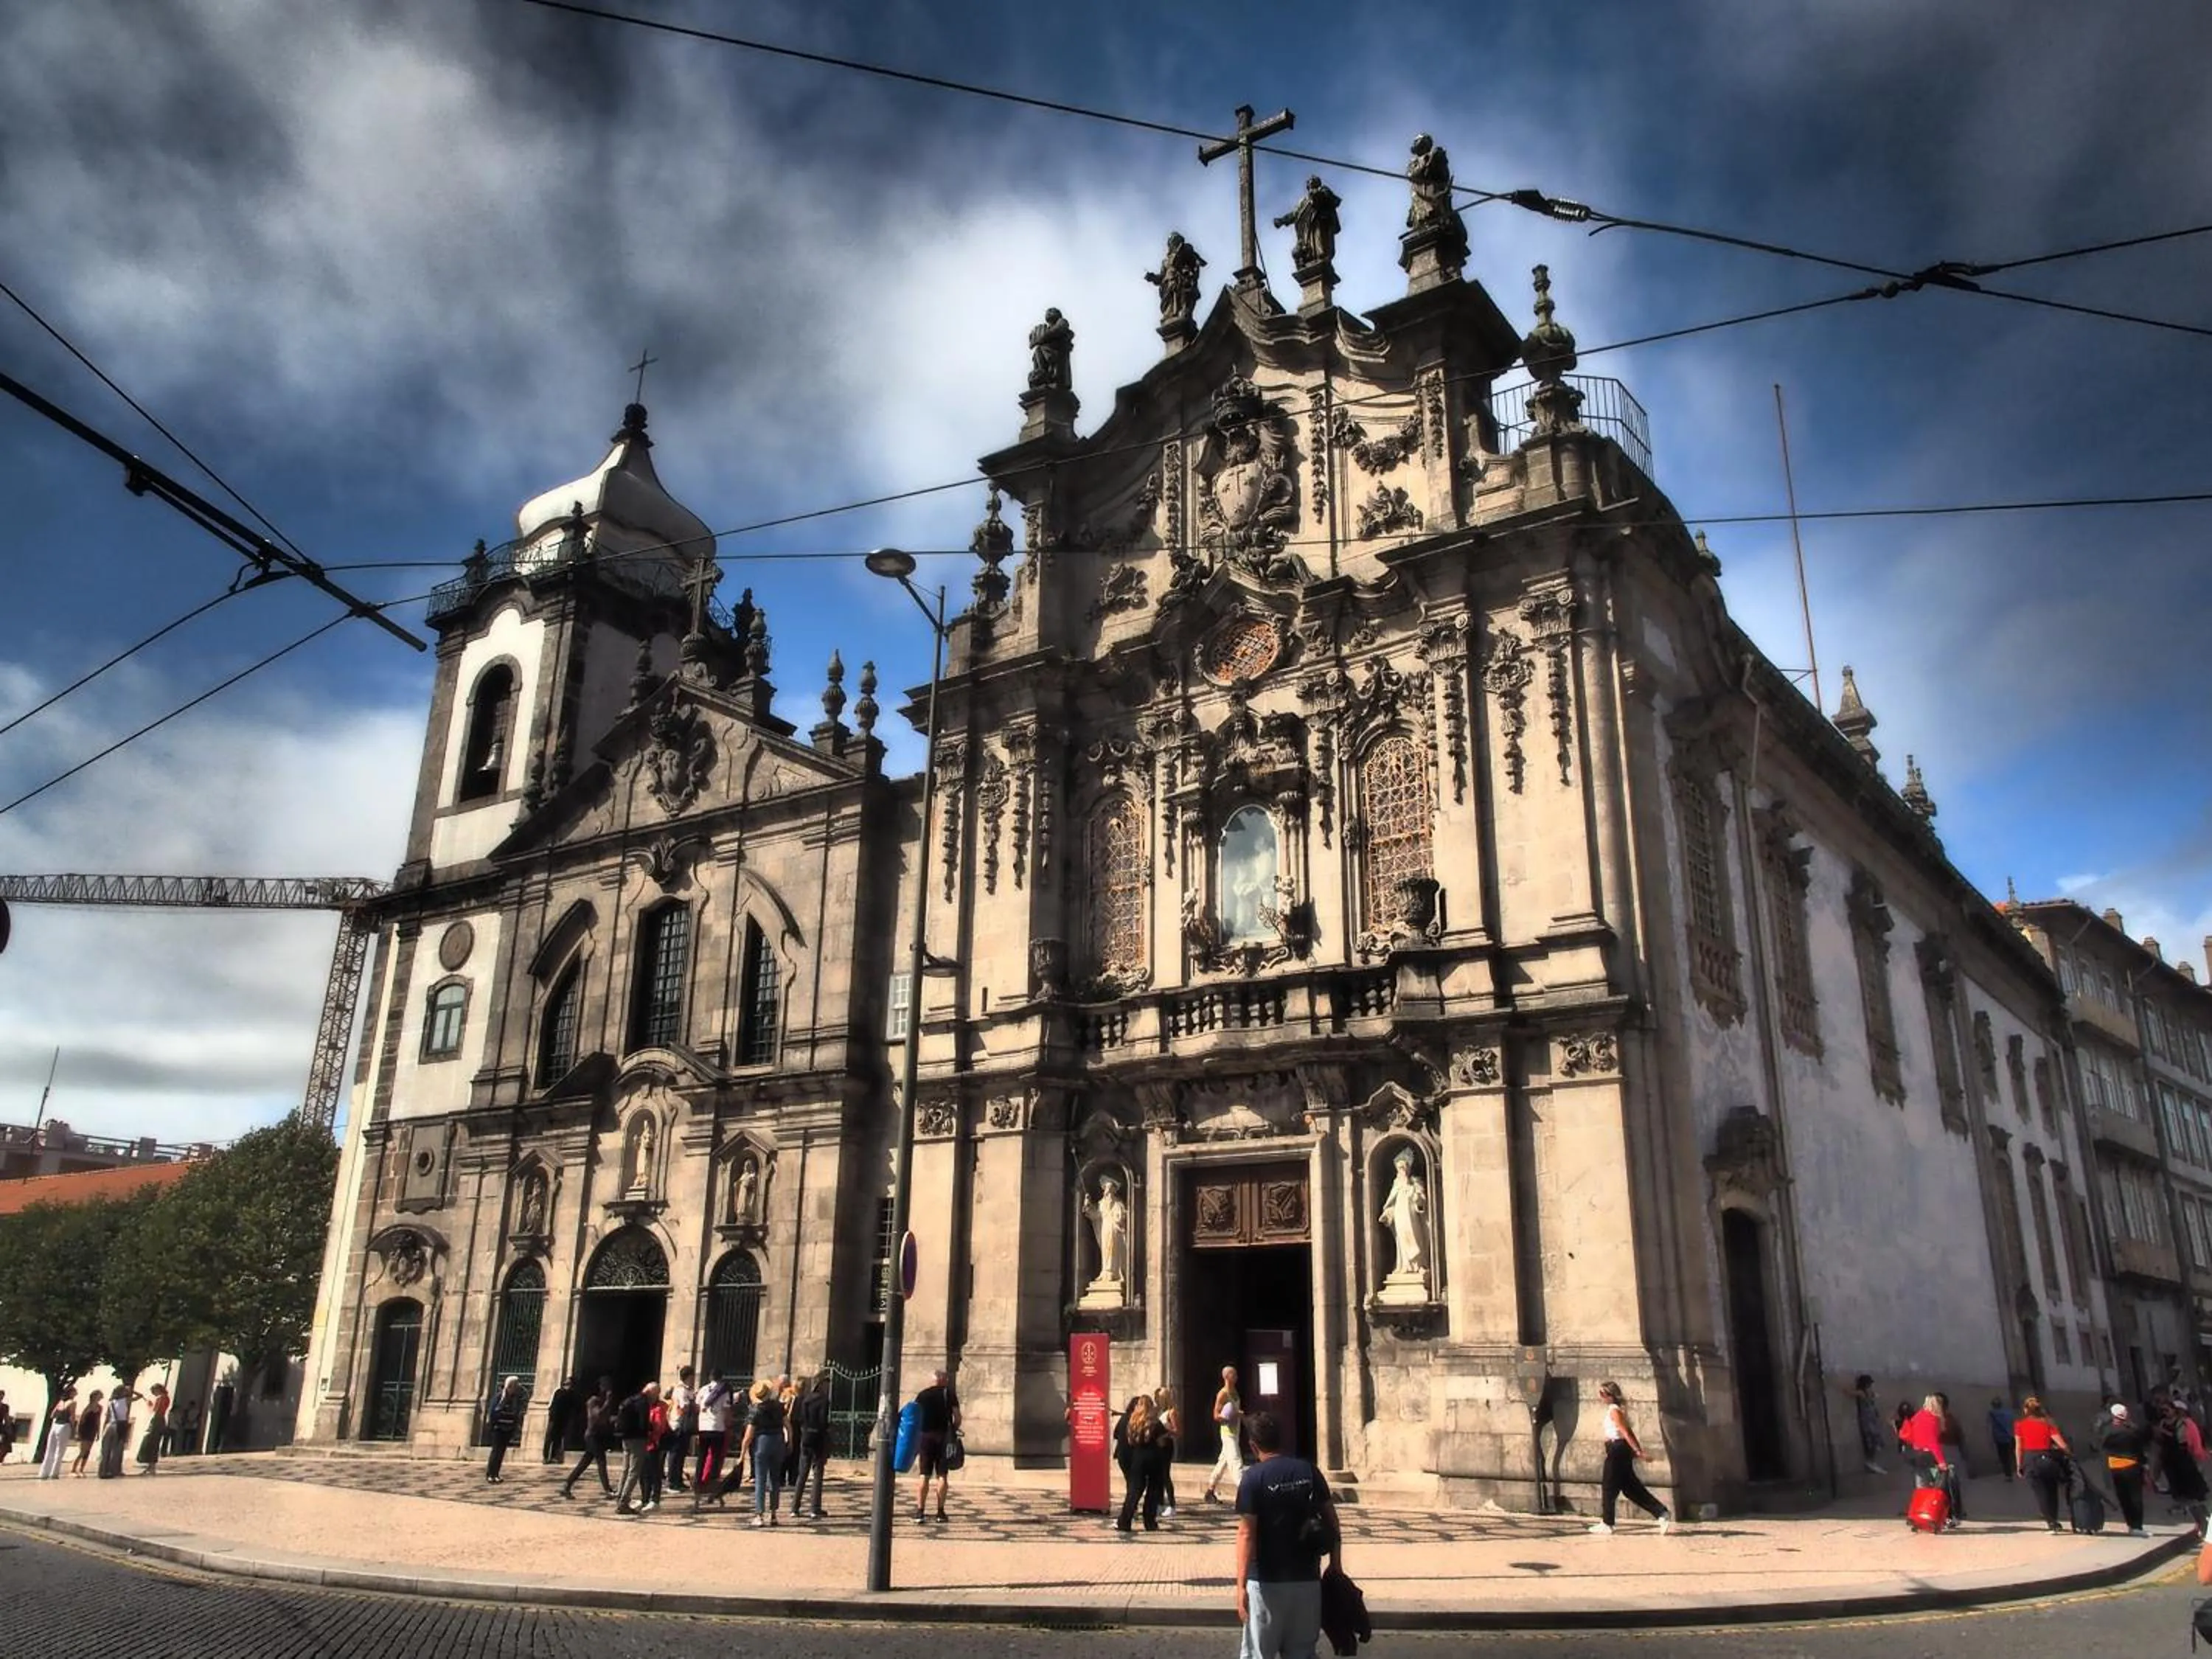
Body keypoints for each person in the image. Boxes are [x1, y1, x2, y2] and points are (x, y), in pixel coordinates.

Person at [1234, 1410, 1343, 1659]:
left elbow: (1246, 1534)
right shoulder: (1309, 1471)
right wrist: (1336, 1565)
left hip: (1266, 1582)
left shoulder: (1253, 1479)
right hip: (1307, 1579)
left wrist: (1240, 1586)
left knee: (1259, 1653)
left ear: (1252, 1445)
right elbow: (1332, 1522)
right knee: (1302, 1653)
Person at [1587, 1380, 1674, 1535]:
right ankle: (1661, 1513)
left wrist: (1638, 1452)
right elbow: (1628, 1432)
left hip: (1617, 1450)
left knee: (1608, 1486)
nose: (1601, 1397)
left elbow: (1626, 1433)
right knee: (1630, 1488)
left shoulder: (1614, 1411)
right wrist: (1636, 1450)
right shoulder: (1616, 1410)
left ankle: (1607, 1523)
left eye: (1603, 1394)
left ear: (1610, 1396)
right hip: (1619, 1449)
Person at [2011, 1397, 2073, 1534]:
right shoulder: (2048, 1423)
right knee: (2052, 1490)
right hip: (2049, 1459)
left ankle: (2051, 1523)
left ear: (2026, 1410)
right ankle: (2055, 1520)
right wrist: (2069, 1454)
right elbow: (2062, 1444)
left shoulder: (2020, 1425)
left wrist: (2019, 1465)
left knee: (2041, 1493)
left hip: (2030, 1460)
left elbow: (2019, 1447)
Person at [2156, 1394, 2210, 1537]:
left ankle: (2204, 1523)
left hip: (2185, 1461)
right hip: (2170, 1463)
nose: (2165, 1413)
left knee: (2193, 1495)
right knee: (2182, 1497)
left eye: (2167, 1410)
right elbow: (2158, 1446)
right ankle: (2201, 1522)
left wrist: (2199, 1459)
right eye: (2163, 1410)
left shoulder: (2185, 1424)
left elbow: (2191, 1443)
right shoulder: (2162, 1424)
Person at [912, 1367, 961, 1524]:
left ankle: (920, 1511)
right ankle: (940, 1512)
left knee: (924, 1475)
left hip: (925, 1437)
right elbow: (958, 1417)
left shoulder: (922, 1395)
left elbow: (914, 1415)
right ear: (943, 1380)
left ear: (933, 1380)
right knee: (942, 1475)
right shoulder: (949, 1394)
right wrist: (953, 1430)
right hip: (943, 1437)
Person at [738, 1378, 787, 1528]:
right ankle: (773, 1515)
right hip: (778, 1440)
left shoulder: (756, 1410)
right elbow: (788, 1426)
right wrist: (789, 1441)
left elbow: (748, 1435)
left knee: (760, 1479)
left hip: (763, 1442)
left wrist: (742, 1454)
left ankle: (759, 1515)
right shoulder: (779, 1407)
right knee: (775, 1479)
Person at [559, 1377, 616, 1500]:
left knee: (584, 1463)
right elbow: (597, 1416)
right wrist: (608, 1402)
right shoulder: (593, 1401)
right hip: (592, 1436)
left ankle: (567, 1485)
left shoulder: (602, 1401)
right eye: (606, 1386)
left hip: (599, 1435)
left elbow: (604, 1419)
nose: (608, 1389)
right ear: (600, 1387)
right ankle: (608, 1490)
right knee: (601, 1461)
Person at [1114, 1394, 1164, 1534]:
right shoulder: (1155, 1422)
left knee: (1134, 1490)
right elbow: (1161, 1442)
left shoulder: (1132, 1421)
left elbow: (1130, 1441)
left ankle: (1125, 1521)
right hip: (1154, 1457)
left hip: (1138, 1457)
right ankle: (1149, 1521)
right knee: (1153, 1490)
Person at [2098, 1401, 2150, 1537]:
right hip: (2132, 1466)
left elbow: (2100, 1446)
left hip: (2114, 1467)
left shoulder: (2107, 1431)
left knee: (2124, 1497)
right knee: (2135, 1497)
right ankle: (2137, 1526)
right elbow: (2140, 1449)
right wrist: (2145, 1463)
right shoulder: (2132, 1430)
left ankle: (2130, 1524)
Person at [611, 1381, 659, 1515]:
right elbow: (643, 1423)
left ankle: (620, 1496)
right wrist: (651, 1428)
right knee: (634, 1471)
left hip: (625, 1438)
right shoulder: (643, 1403)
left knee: (626, 1469)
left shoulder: (632, 1399)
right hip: (637, 1439)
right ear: (651, 1392)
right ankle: (624, 1502)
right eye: (657, 1394)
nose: (657, 1398)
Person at [1203, 1366, 1245, 1504]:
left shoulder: (1235, 1391)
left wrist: (1239, 1416)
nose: (1237, 1377)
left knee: (1223, 1462)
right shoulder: (1223, 1394)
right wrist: (1229, 1416)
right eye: (1234, 1374)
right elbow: (1216, 1415)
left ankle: (1210, 1491)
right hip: (1227, 1432)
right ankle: (1245, 1493)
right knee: (1236, 1462)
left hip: (1236, 1430)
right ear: (1227, 1376)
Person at [793, 1372, 831, 1520]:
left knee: (802, 1474)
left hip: (805, 1438)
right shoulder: (823, 1401)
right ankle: (815, 1508)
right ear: (821, 1385)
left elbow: (801, 1418)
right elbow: (822, 1422)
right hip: (818, 1440)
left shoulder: (806, 1399)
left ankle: (795, 1507)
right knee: (817, 1474)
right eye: (826, 1383)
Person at [693, 1373, 734, 1498]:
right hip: (717, 1427)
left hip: (703, 1427)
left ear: (710, 1378)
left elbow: (697, 1406)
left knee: (702, 1456)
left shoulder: (703, 1389)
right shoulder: (724, 1391)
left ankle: (698, 1481)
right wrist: (728, 1424)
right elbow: (727, 1410)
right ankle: (711, 1481)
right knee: (716, 1456)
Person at [1837, 1374, 1885, 1475]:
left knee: (1876, 1440)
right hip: (1866, 1420)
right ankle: (1870, 1462)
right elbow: (1849, 1393)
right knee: (1870, 1439)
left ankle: (1872, 1461)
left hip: (1872, 1419)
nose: (1870, 1387)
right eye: (1869, 1385)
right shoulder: (1862, 1393)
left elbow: (1875, 1399)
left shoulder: (1870, 1394)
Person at [484, 1375, 526, 1484]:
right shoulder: (499, 1397)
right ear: (510, 1386)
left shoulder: (515, 1399)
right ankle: (490, 1474)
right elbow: (493, 1412)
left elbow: (516, 1414)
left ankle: (496, 1474)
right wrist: (493, 1426)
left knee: (501, 1453)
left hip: (508, 1428)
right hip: (498, 1429)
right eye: (515, 1385)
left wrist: (514, 1427)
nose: (517, 1388)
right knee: (496, 1452)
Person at [1934, 1392, 1969, 1521]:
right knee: (1948, 1486)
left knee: (1948, 1486)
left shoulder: (1946, 1420)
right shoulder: (1950, 1419)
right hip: (1947, 1455)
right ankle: (1952, 1512)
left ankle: (1953, 1513)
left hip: (1946, 1455)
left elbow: (1960, 1438)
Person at [663, 1366, 696, 1494]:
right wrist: (693, 1405)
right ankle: (672, 1482)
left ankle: (678, 1480)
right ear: (689, 1377)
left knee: (681, 1453)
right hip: (678, 1424)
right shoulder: (681, 1390)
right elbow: (684, 1407)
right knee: (675, 1453)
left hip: (684, 1425)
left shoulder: (688, 1390)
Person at [1154, 1385, 1182, 1520]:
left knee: (1165, 1475)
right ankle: (1159, 1503)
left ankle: (1172, 1505)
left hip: (1166, 1445)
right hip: (1157, 1445)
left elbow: (1178, 1431)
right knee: (1158, 1475)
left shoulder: (1172, 1412)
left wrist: (1165, 1433)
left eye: (1159, 1398)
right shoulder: (1158, 1412)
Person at [97, 1385, 136, 1479]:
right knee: (117, 1449)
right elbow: (139, 1397)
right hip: (121, 1425)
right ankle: (115, 1470)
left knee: (106, 1450)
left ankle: (103, 1471)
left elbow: (107, 1416)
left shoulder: (111, 1402)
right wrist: (133, 1391)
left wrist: (103, 1429)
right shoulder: (126, 1400)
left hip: (110, 1425)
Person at [38, 1390, 75, 1479]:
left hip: (55, 1425)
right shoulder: (72, 1402)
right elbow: (72, 1416)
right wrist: (73, 1428)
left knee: (50, 1450)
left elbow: (52, 1415)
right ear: (71, 1393)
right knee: (60, 1451)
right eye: (75, 1392)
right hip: (64, 1426)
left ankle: (44, 1473)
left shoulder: (61, 1402)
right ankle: (54, 1473)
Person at [134, 1384, 170, 1475]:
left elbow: (155, 1411)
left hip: (156, 1421)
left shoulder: (160, 1398)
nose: (153, 1394)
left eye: (154, 1391)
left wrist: (149, 1405)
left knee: (150, 1443)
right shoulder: (166, 1398)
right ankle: (151, 1466)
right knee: (155, 1444)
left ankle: (151, 1466)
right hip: (161, 1421)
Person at [542, 1377, 577, 1464]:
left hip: (563, 1419)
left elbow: (572, 1407)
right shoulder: (559, 1392)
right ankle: (545, 1457)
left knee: (558, 1438)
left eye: (569, 1384)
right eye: (565, 1384)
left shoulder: (572, 1395)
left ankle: (554, 1456)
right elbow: (553, 1404)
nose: (567, 1386)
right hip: (554, 1418)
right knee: (549, 1437)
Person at [1987, 1395, 2017, 1481]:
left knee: (2004, 1457)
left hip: (2000, 1439)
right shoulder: (2008, 1413)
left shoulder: (1992, 1413)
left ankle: (2008, 1475)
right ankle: (2017, 1470)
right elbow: (2013, 1423)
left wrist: (1991, 1440)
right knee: (2012, 1455)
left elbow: (1990, 1427)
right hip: (2011, 1436)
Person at [71, 1391, 101, 1477]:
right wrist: (77, 1432)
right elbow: (81, 1420)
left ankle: (81, 1469)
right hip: (85, 1430)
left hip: (92, 1431)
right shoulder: (88, 1407)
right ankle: (73, 1469)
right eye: (99, 1396)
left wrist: (98, 1432)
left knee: (88, 1451)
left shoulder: (99, 1408)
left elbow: (98, 1420)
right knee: (82, 1451)